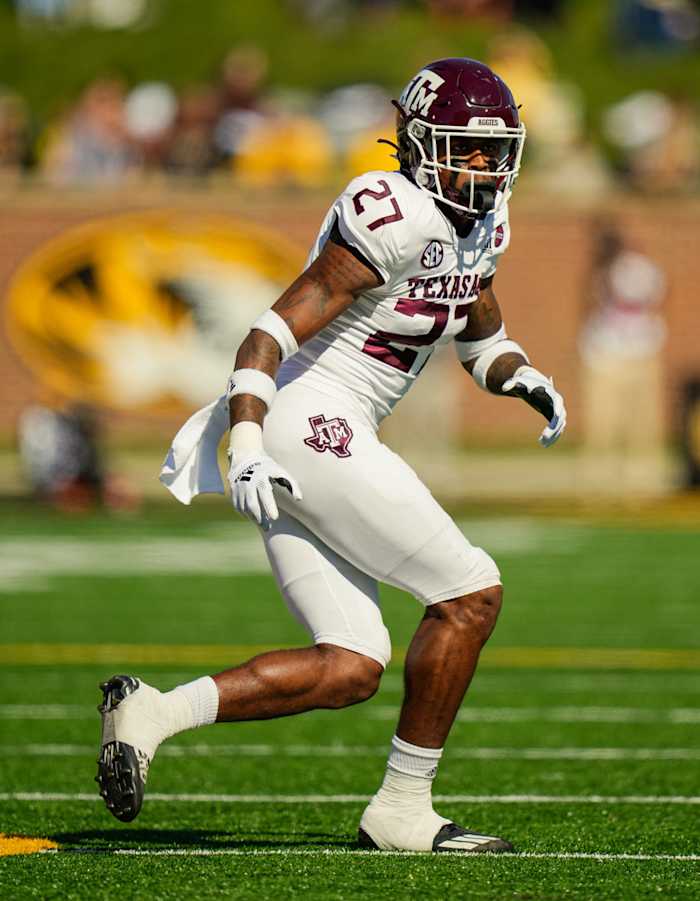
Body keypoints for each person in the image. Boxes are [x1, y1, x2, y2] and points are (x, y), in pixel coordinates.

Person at [96, 58, 566, 853]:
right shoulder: (393, 212)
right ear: (420, 143)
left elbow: (477, 329)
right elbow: (267, 334)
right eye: (467, 149)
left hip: (330, 430)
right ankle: (403, 809)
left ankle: (152, 712)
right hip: (305, 417)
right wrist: (245, 438)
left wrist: (522, 376)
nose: (484, 167)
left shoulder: (482, 221)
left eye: (495, 151)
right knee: (471, 592)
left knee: (351, 664)